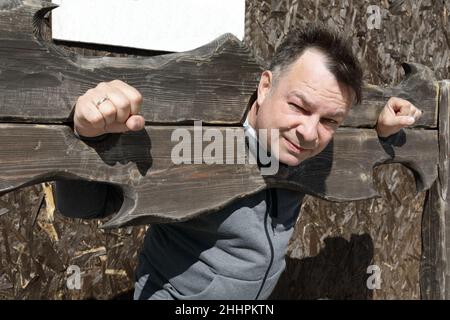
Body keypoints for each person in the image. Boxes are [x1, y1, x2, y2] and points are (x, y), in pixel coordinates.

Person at [55, 22, 422, 300]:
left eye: (330, 121)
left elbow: (341, 124)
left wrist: (380, 129)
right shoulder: (193, 143)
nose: (310, 133)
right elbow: (82, 206)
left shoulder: (307, 148)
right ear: (264, 87)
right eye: (298, 106)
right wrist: (87, 135)